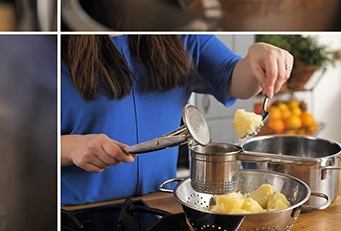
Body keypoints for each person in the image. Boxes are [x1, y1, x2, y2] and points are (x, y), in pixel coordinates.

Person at [60, 35, 293, 206]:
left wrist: (258, 58)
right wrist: (70, 147)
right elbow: (23, 146)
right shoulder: (44, 47)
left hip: (162, 205)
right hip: (78, 213)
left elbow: (236, 81)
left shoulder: (182, 36)